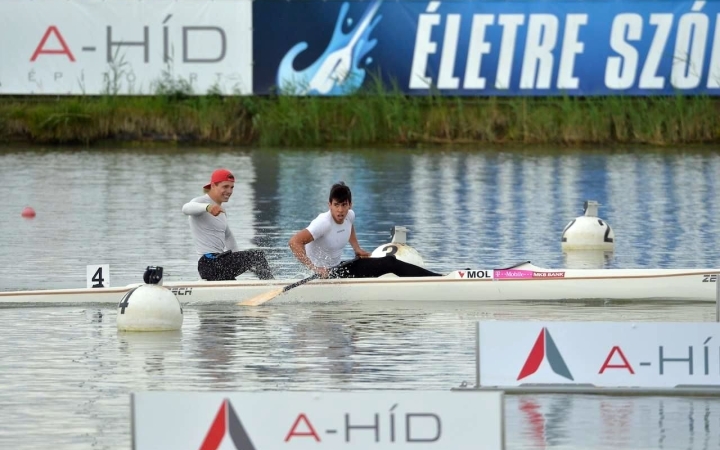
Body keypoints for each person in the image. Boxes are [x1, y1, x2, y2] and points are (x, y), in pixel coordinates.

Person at [288, 182, 442, 278]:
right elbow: (294, 242)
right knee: (388, 263)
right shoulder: (323, 223)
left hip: (338, 269)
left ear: (350, 205)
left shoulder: (349, 216)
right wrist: (315, 269)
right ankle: (439, 280)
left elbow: (350, 227)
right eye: (336, 205)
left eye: (344, 205)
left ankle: (438, 278)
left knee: (389, 262)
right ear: (329, 205)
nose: (340, 210)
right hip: (323, 275)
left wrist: (356, 248)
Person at [182, 168, 274, 281]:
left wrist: (246, 263)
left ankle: (266, 287)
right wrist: (208, 207)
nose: (229, 191)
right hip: (208, 263)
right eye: (225, 187)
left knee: (238, 289)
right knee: (257, 256)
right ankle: (271, 286)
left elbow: (228, 237)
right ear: (213, 185)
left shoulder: (221, 211)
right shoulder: (201, 202)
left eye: (232, 187)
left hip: (220, 263)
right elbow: (185, 208)